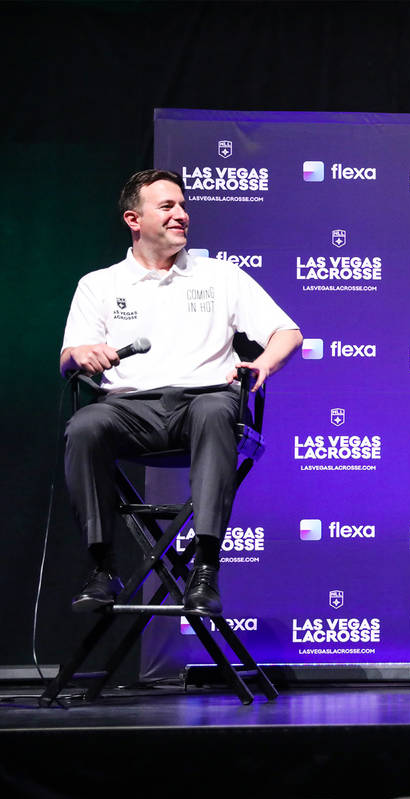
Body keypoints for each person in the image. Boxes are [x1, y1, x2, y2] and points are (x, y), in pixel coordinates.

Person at [60, 169, 302, 615]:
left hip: (204, 403)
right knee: (85, 425)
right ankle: (102, 566)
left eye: (183, 206)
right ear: (134, 219)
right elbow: (69, 357)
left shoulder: (221, 276)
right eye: (167, 206)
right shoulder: (99, 284)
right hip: (129, 411)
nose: (181, 215)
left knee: (214, 412)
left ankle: (206, 568)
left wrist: (263, 363)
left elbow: (287, 332)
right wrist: (83, 354)